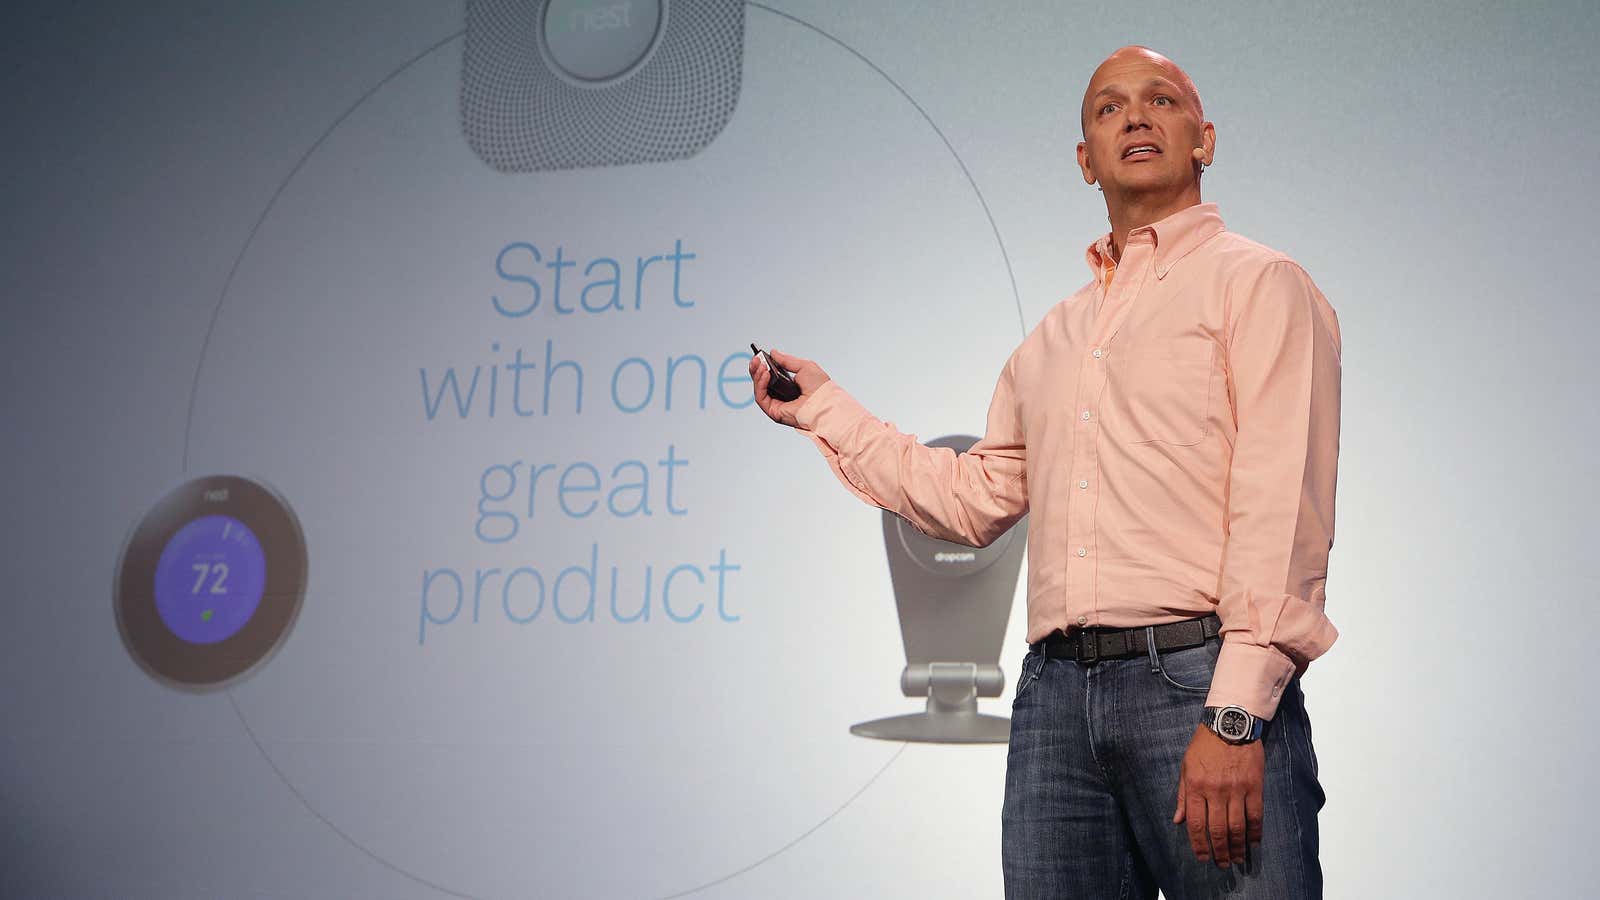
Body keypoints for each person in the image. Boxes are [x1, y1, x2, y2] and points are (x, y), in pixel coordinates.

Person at [747, 44, 1340, 899]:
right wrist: (824, 406)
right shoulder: (1051, 342)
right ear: (1083, 159)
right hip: (1055, 703)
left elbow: (1283, 510)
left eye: (1161, 100)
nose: (1135, 117)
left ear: (1204, 139)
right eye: (1108, 108)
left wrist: (1237, 713)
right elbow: (971, 499)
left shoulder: (1261, 285)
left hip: (1200, 685)